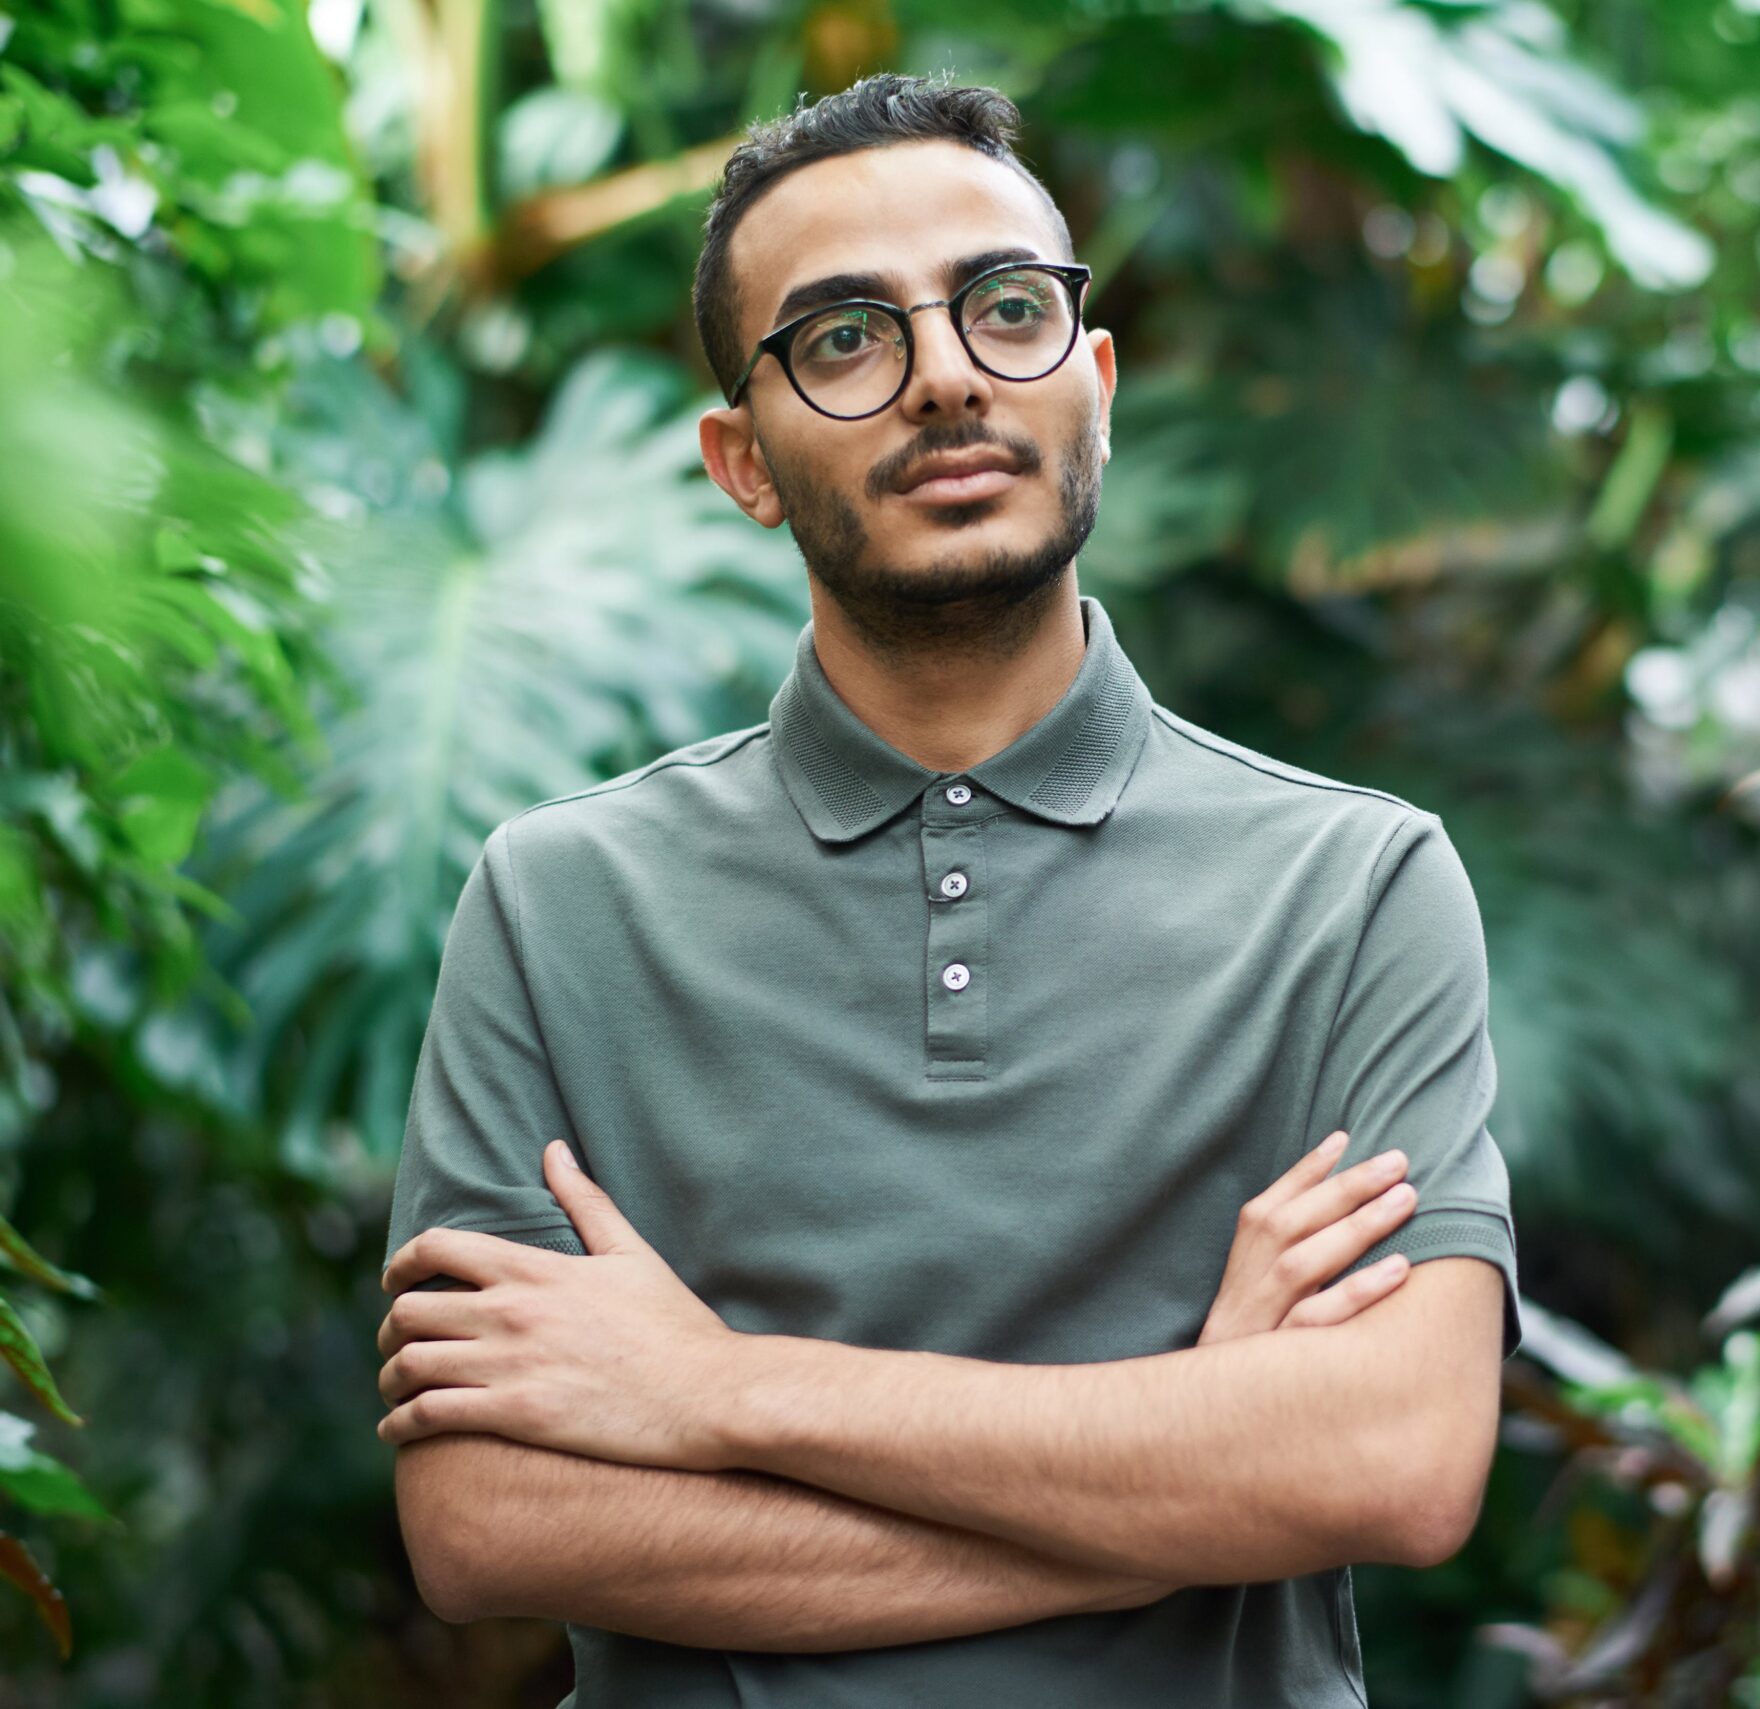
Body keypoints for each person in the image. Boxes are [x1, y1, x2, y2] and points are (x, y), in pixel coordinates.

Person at [374, 68, 1521, 1707]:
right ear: (742, 460)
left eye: (1006, 308)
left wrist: (714, 1388)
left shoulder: (1355, 884)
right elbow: (489, 1523)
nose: (947, 378)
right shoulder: (559, 901)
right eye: (845, 338)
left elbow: (1395, 1460)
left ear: (1094, 384)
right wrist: (1194, 1470)